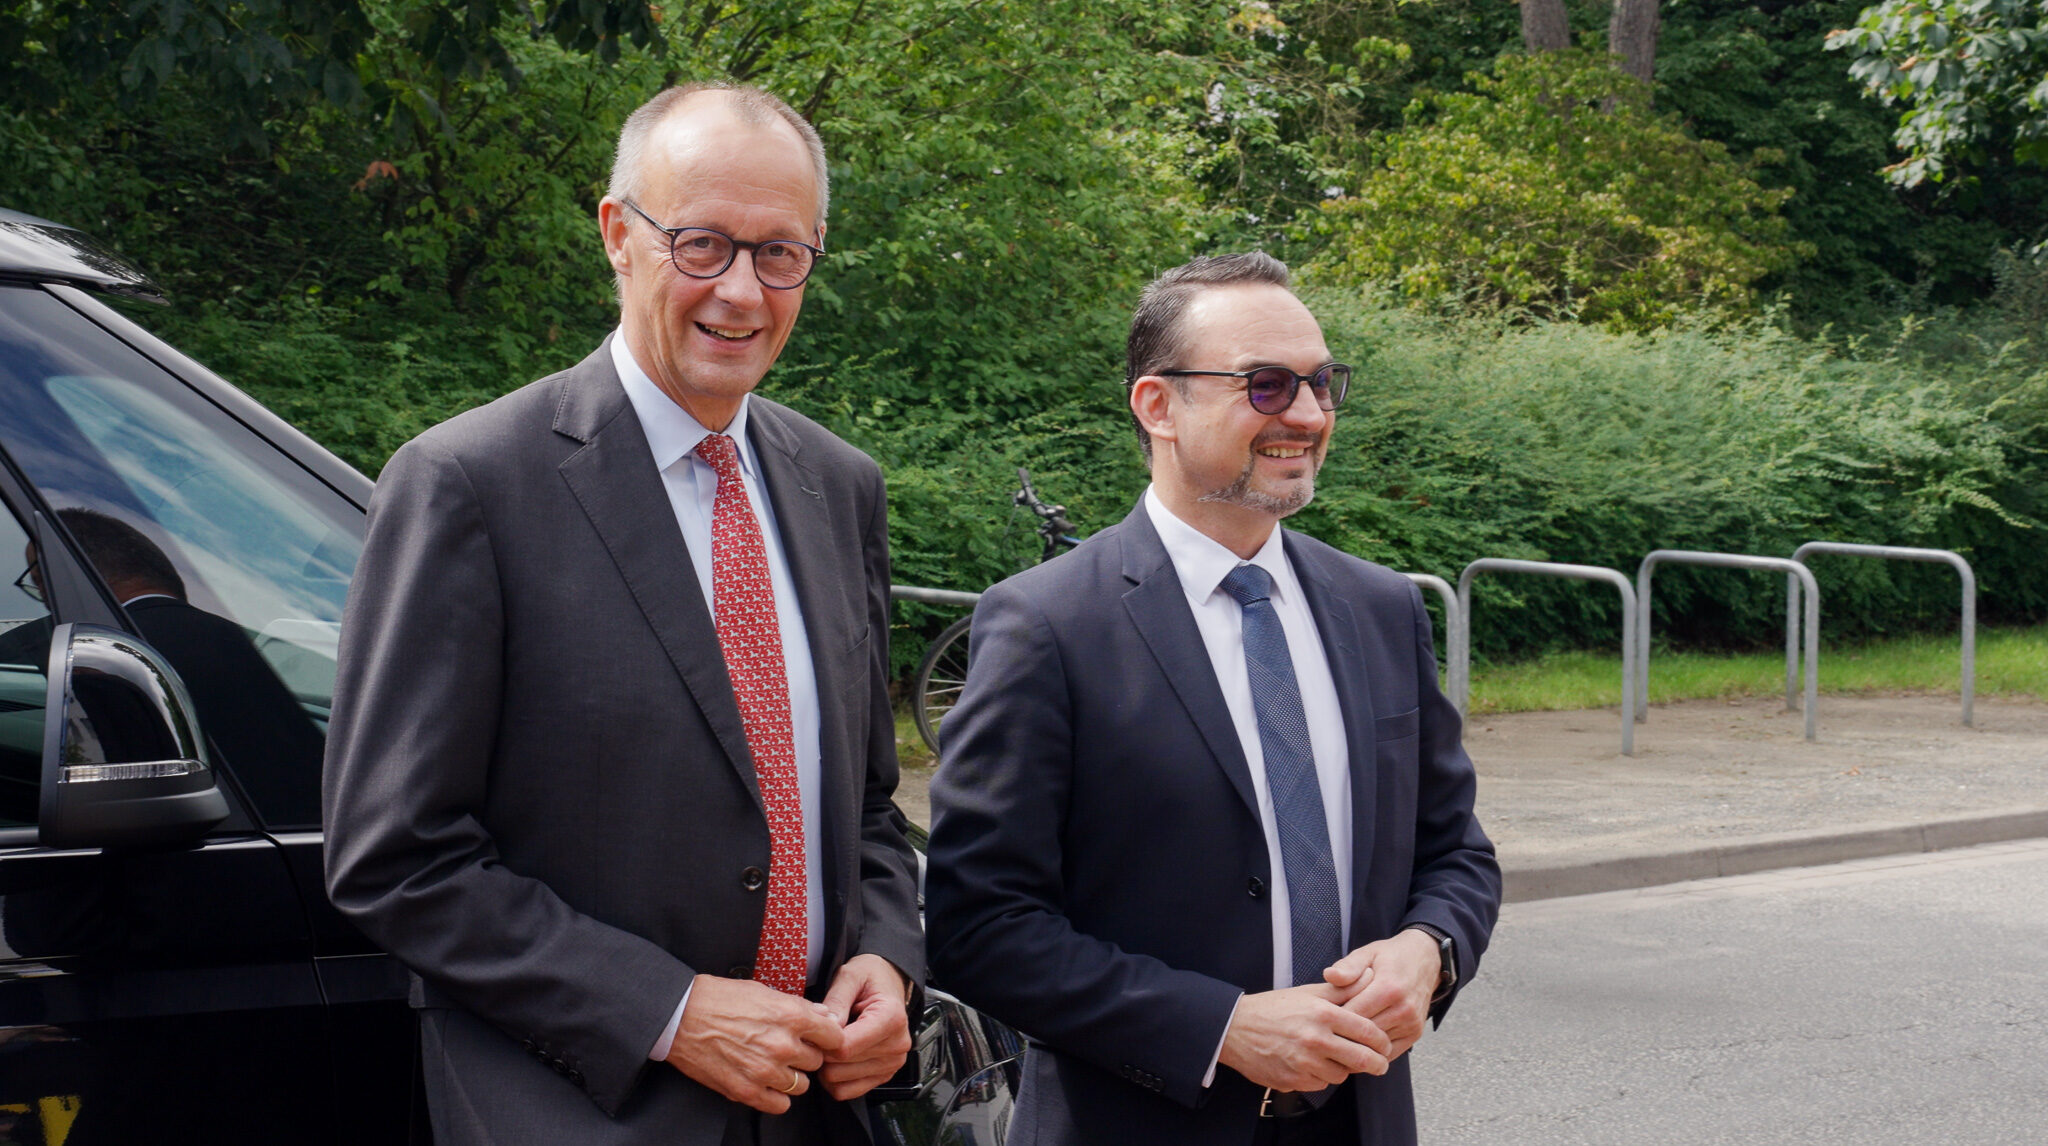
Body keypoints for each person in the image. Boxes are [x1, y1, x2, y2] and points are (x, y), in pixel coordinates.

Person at [322, 83, 921, 1146]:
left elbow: (868, 807)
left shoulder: (839, 485)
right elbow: (395, 857)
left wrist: (886, 958)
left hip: (820, 1107)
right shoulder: (468, 484)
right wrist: (668, 1012)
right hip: (584, 1107)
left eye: (778, 254)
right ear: (617, 235)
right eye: (701, 245)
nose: (741, 292)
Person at [924, 253, 1501, 1145]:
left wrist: (1430, 950)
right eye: (1266, 386)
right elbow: (982, 927)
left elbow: (1456, 853)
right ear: (1158, 406)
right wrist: (1223, 1028)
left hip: (1362, 1118)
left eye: (1321, 383)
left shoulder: (1381, 609)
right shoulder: (1047, 626)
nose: (1307, 416)